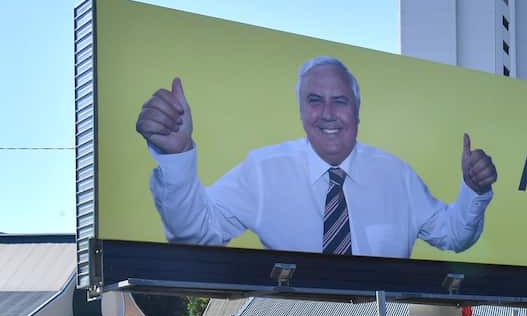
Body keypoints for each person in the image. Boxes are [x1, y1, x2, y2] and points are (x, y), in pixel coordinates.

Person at [135, 56, 497, 257]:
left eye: (339, 101)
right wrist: (177, 157)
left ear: (357, 111)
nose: (327, 113)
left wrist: (473, 190)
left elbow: (454, 236)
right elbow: (196, 235)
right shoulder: (264, 171)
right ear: (300, 110)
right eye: (314, 100)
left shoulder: (395, 175)